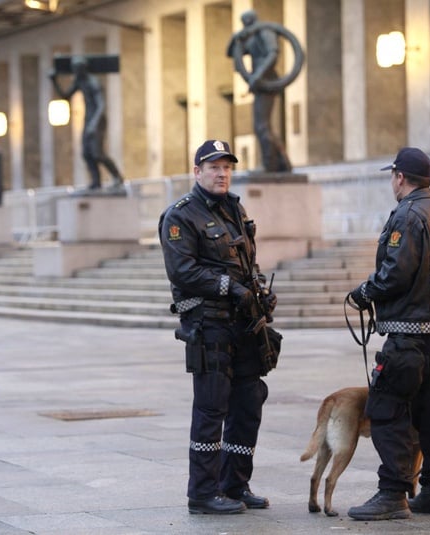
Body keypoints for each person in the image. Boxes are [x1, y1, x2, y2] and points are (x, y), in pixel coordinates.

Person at [346, 147, 430, 521]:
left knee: (385, 408)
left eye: (392, 176)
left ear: (399, 177)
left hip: (409, 334)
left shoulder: (408, 216)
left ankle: (393, 493)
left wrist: (365, 292)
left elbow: (396, 273)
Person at [158, 139, 278, 515]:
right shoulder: (180, 216)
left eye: (227, 167)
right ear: (197, 172)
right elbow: (183, 271)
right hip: (208, 326)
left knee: (248, 404)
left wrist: (257, 292)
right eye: (214, 167)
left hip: (243, 326)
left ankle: (235, 484)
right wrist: (231, 288)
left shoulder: (235, 209)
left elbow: (247, 262)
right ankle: (203, 492)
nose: (222, 173)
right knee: (211, 410)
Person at [227, 10, 291, 173]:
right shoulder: (252, 37)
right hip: (259, 84)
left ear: (252, 19)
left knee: (261, 126)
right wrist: (237, 37)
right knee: (262, 126)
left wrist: (258, 74)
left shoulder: (265, 31)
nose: (245, 24)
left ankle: (271, 164)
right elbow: (231, 52)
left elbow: (273, 53)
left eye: (246, 21)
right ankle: (282, 162)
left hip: (267, 80)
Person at [49, 55, 123, 190]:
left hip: (97, 120)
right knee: (86, 154)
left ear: (83, 68)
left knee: (98, 154)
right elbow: (65, 96)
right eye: (74, 69)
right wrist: (54, 81)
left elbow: (101, 105)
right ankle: (96, 182)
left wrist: (94, 124)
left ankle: (117, 176)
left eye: (77, 69)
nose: (75, 71)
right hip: (88, 119)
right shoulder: (80, 81)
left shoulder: (93, 82)